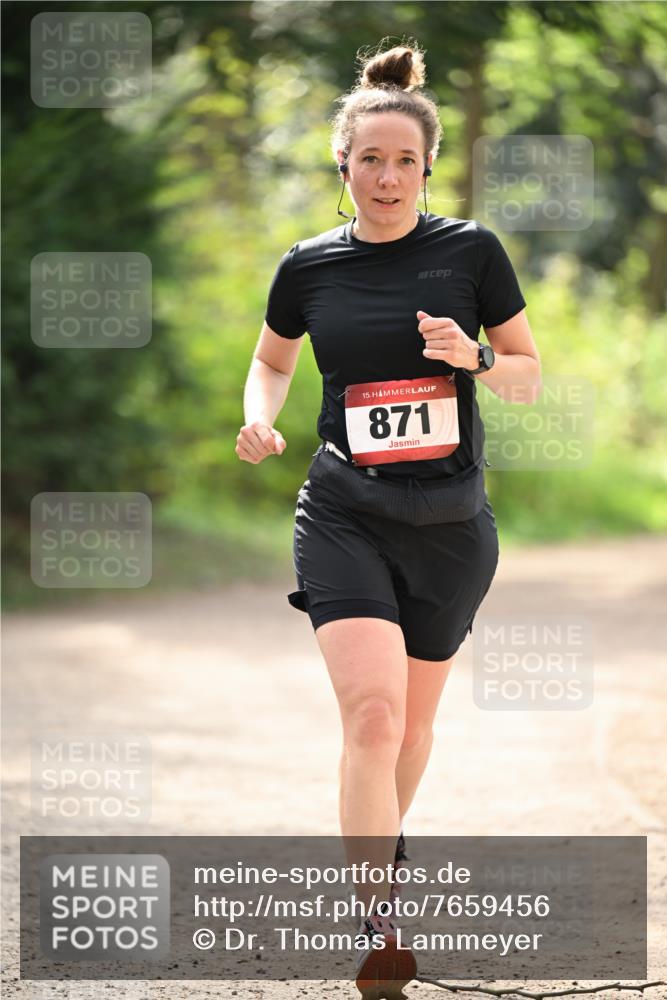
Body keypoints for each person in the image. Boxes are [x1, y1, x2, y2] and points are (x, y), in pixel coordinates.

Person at [237, 40, 541, 998]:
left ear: (426, 166)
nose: (386, 175)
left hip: (450, 521)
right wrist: (257, 417)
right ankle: (380, 918)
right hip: (343, 509)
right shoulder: (308, 266)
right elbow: (275, 360)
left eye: (404, 159)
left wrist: (476, 357)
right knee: (371, 717)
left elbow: (528, 374)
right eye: (369, 157)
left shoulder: (472, 252)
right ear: (342, 162)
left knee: (410, 730)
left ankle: (380, 862)